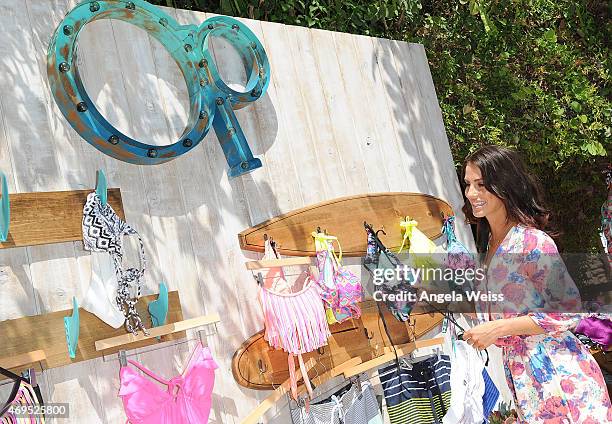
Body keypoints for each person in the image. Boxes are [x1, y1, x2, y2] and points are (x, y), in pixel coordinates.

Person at [460, 145, 612, 423]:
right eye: (468, 184)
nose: (471, 193)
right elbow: (498, 310)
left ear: (504, 186)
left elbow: (568, 310)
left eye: (481, 185)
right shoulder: (490, 245)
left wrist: (498, 328)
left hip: (558, 372)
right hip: (524, 376)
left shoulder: (532, 242)